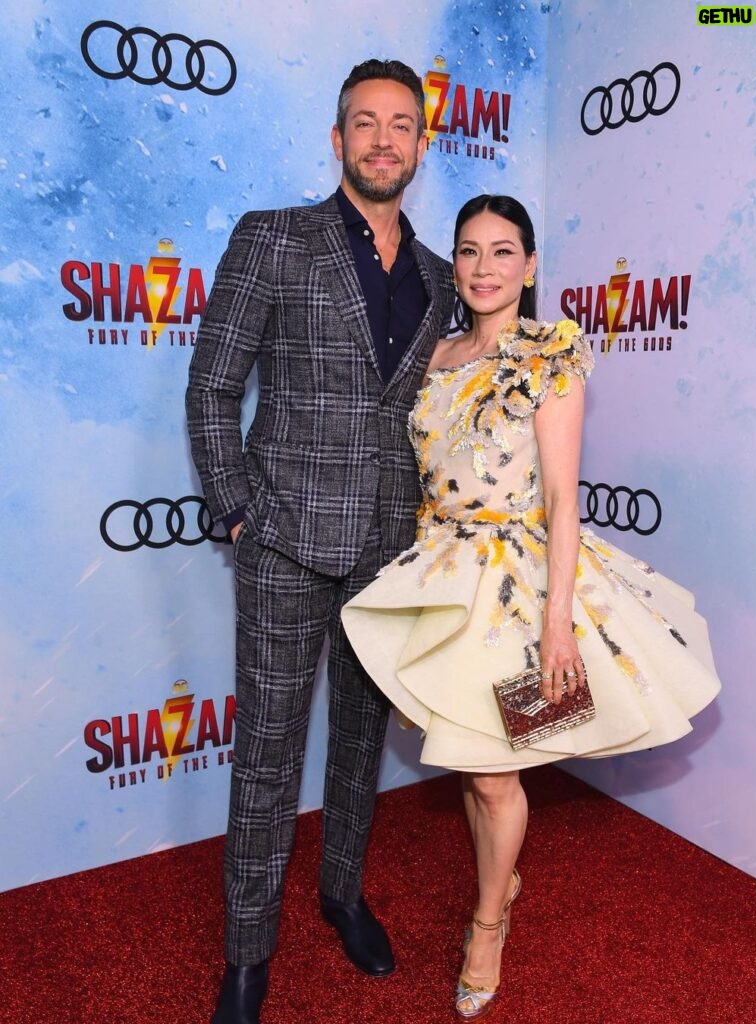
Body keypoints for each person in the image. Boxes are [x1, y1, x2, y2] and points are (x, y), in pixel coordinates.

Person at [341, 194, 721, 1020]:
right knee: (480, 770)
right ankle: (497, 882)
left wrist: (557, 624)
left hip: (518, 581)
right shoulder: (434, 356)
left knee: (493, 772)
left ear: (531, 265)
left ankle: (487, 923)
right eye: (470, 252)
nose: (484, 268)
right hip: (441, 571)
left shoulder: (549, 354)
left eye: (503, 251)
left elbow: (560, 493)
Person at [186, 59, 454, 1024]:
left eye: (401, 125)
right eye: (364, 123)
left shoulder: (437, 276)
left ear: (422, 145)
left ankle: (342, 892)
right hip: (284, 543)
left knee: (356, 747)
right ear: (337, 139)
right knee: (264, 755)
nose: (383, 139)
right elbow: (213, 387)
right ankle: (247, 956)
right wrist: (239, 506)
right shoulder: (273, 240)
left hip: (387, 550)